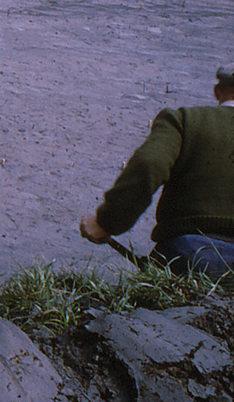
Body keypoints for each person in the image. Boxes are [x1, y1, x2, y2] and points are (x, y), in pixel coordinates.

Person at [79, 64, 234, 275]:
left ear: (218, 90)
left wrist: (106, 223)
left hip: (189, 254)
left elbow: (147, 164)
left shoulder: (184, 120)